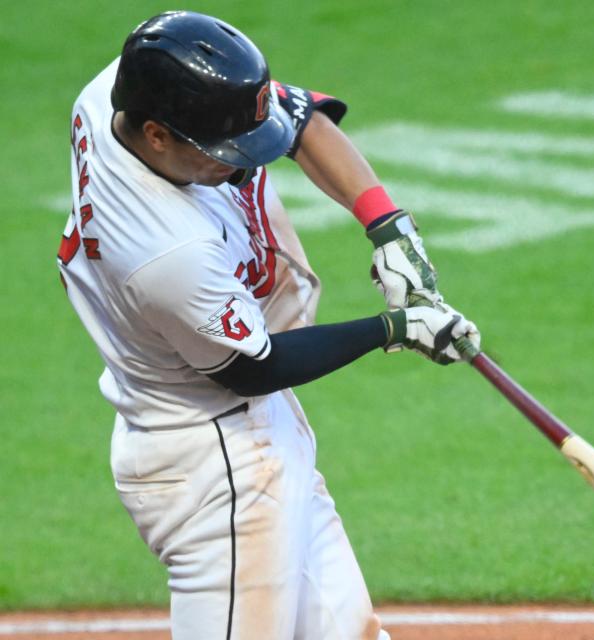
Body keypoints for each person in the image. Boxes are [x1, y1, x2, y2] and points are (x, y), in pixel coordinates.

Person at [57, 10, 479, 640]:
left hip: (253, 441)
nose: (242, 166)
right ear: (156, 136)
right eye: (222, 154)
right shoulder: (163, 250)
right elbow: (257, 368)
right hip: (215, 466)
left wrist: (387, 225)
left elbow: (300, 120)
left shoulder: (124, 87)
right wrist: (394, 328)